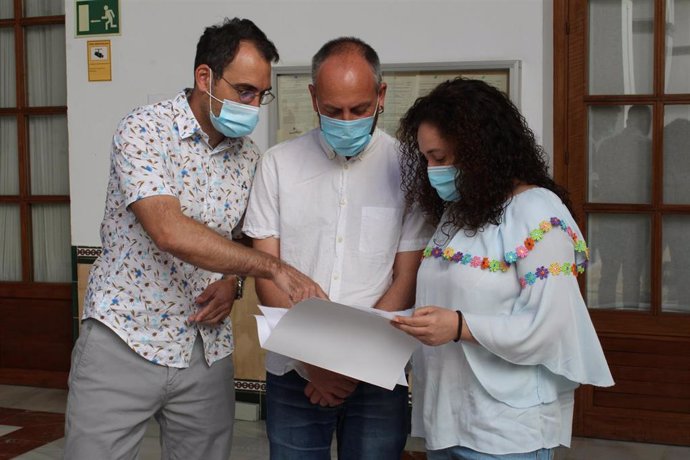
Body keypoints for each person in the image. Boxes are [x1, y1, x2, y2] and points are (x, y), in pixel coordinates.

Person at [65, 18, 325, 460]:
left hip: (206, 349)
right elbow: (168, 230)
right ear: (204, 77)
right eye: (245, 91)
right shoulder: (144, 130)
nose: (254, 104)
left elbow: (242, 242)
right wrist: (273, 269)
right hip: (124, 338)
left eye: (262, 95)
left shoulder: (249, 159)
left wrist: (233, 283)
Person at [391, 78, 614, 459]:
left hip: (507, 429)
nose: (432, 170)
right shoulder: (457, 213)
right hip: (446, 420)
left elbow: (551, 327)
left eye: (441, 158)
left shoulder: (538, 212)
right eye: (426, 158)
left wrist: (460, 326)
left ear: (480, 150)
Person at [243, 37, 433, 459]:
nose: (346, 121)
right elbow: (267, 274)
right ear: (313, 97)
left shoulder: (408, 169)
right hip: (295, 369)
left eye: (360, 110)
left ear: (381, 96)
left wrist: (349, 363)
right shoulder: (277, 165)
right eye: (332, 111)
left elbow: (406, 277)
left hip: (379, 367)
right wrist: (313, 362)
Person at [592, 105, 652, 308]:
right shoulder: (648, 147)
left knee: (608, 273)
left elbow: (602, 178)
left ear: (627, 121)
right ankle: (631, 316)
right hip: (637, 221)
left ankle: (604, 315)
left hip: (610, 217)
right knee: (632, 275)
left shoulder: (606, 146)